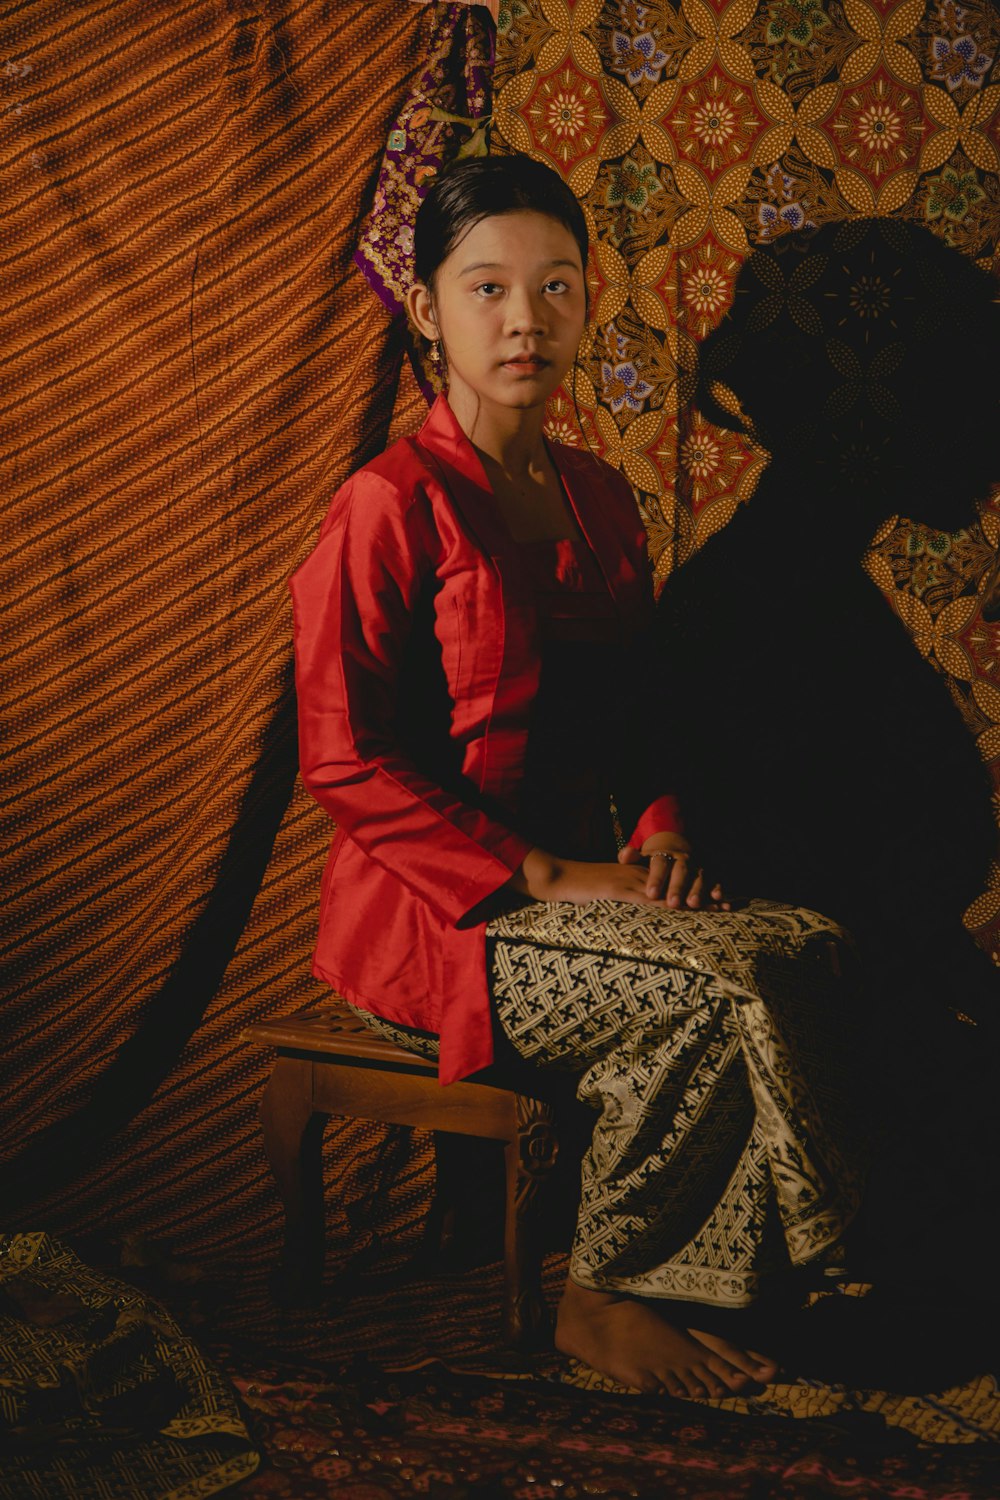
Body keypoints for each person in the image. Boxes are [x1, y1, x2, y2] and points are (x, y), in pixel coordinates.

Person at [290, 153, 864, 1400]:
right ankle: (599, 1299)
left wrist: (656, 831)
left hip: (591, 885)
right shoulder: (387, 504)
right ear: (429, 307)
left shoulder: (600, 500)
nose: (524, 319)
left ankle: (773, 1273)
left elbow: (640, 719)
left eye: (556, 287)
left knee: (802, 938)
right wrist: (541, 872)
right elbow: (340, 754)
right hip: (446, 916)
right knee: (717, 982)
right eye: (486, 286)